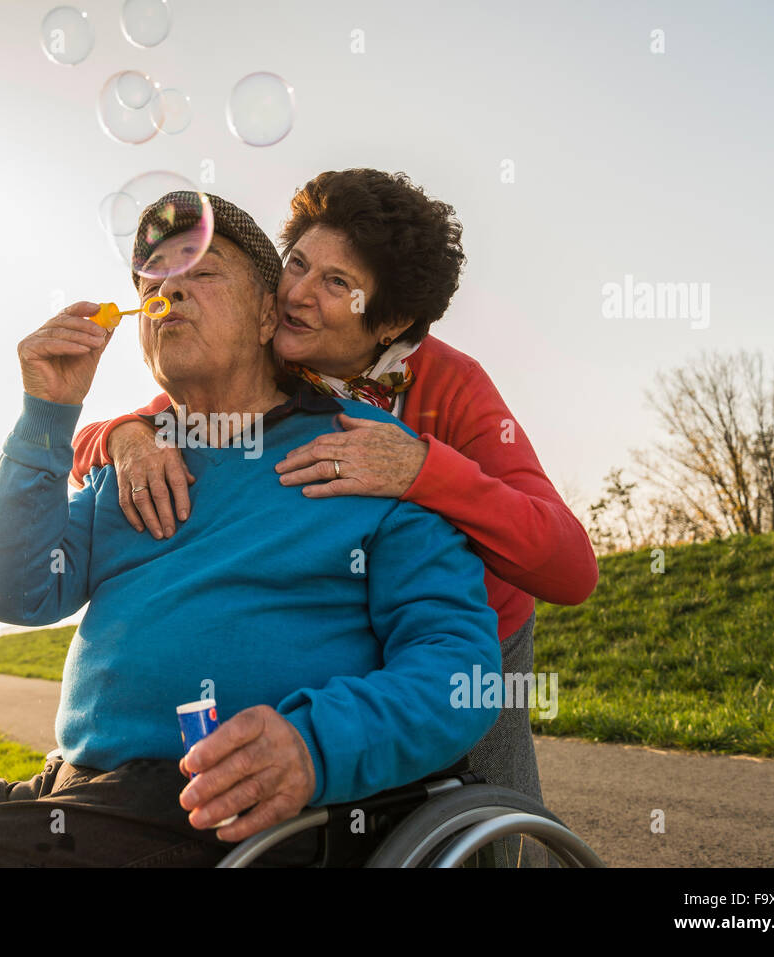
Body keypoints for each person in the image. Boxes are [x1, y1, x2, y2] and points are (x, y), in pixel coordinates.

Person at [0, 192, 501, 868]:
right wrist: (47, 413)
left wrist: (314, 746)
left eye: (201, 271)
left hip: (228, 809)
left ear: (269, 317)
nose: (166, 291)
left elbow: (456, 669)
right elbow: (13, 590)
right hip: (71, 789)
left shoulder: (370, 458)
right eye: (149, 282)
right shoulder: (139, 459)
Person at [70, 169, 599, 806]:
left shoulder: (453, 383)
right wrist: (126, 434)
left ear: (392, 319)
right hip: (339, 621)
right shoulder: (260, 361)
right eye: (296, 264)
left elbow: (571, 567)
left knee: (486, 801)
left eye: (337, 284)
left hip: (459, 628)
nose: (295, 294)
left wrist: (422, 471)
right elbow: (106, 446)